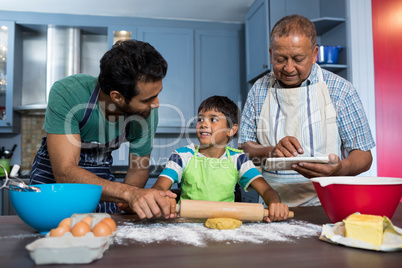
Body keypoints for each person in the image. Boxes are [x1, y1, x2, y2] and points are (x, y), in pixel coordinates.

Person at [238, 14, 375, 207]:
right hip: (273, 205)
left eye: (298, 59)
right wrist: (271, 151)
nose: (288, 68)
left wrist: (340, 168)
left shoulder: (340, 90)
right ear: (271, 53)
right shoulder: (258, 90)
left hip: (327, 204)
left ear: (314, 54)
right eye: (280, 59)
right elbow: (244, 148)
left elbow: (364, 156)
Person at [30, 40, 177, 219]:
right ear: (117, 97)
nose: (156, 104)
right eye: (148, 99)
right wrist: (129, 194)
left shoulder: (146, 113)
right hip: (53, 184)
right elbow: (65, 172)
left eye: (157, 94)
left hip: (102, 185)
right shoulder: (68, 93)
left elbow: (138, 168)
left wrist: (130, 200)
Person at [153, 96, 289, 222]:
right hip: (187, 225)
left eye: (213, 119)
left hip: (225, 226)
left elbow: (266, 190)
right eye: (200, 119)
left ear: (231, 130)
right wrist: (163, 196)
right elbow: (159, 187)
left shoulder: (238, 159)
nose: (203, 124)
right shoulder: (182, 156)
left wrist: (275, 203)